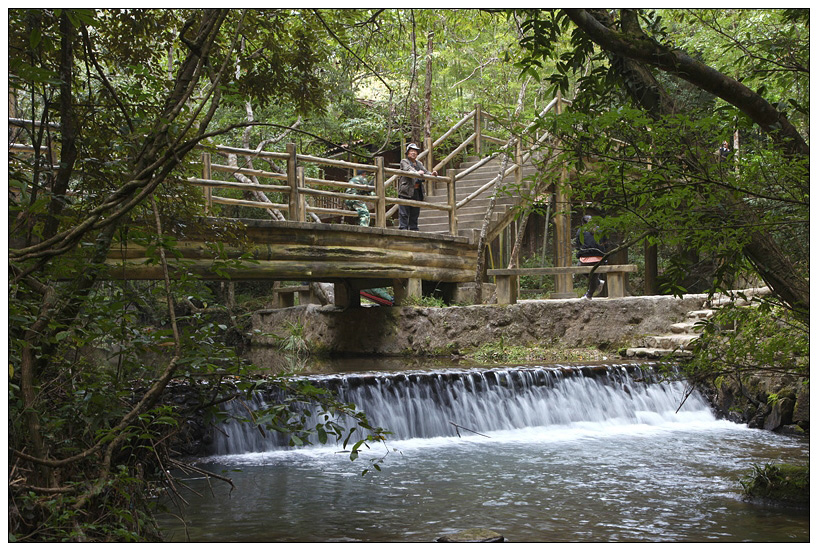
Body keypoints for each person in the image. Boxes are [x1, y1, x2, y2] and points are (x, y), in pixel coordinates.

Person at [398, 143, 437, 230]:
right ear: (407, 153)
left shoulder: (418, 163)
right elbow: (407, 169)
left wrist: (432, 174)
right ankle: (403, 229)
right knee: (404, 212)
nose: (413, 153)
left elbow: (425, 171)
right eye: (411, 151)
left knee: (415, 212)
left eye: (415, 151)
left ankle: (414, 229)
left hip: (417, 191)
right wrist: (417, 173)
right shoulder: (404, 161)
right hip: (406, 190)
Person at [575, 214, 609, 299]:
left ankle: (590, 293)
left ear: (583, 223)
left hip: (585, 259)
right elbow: (606, 244)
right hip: (600, 258)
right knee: (594, 275)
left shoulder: (580, 231)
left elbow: (578, 245)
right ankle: (590, 293)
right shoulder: (601, 230)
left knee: (583, 270)